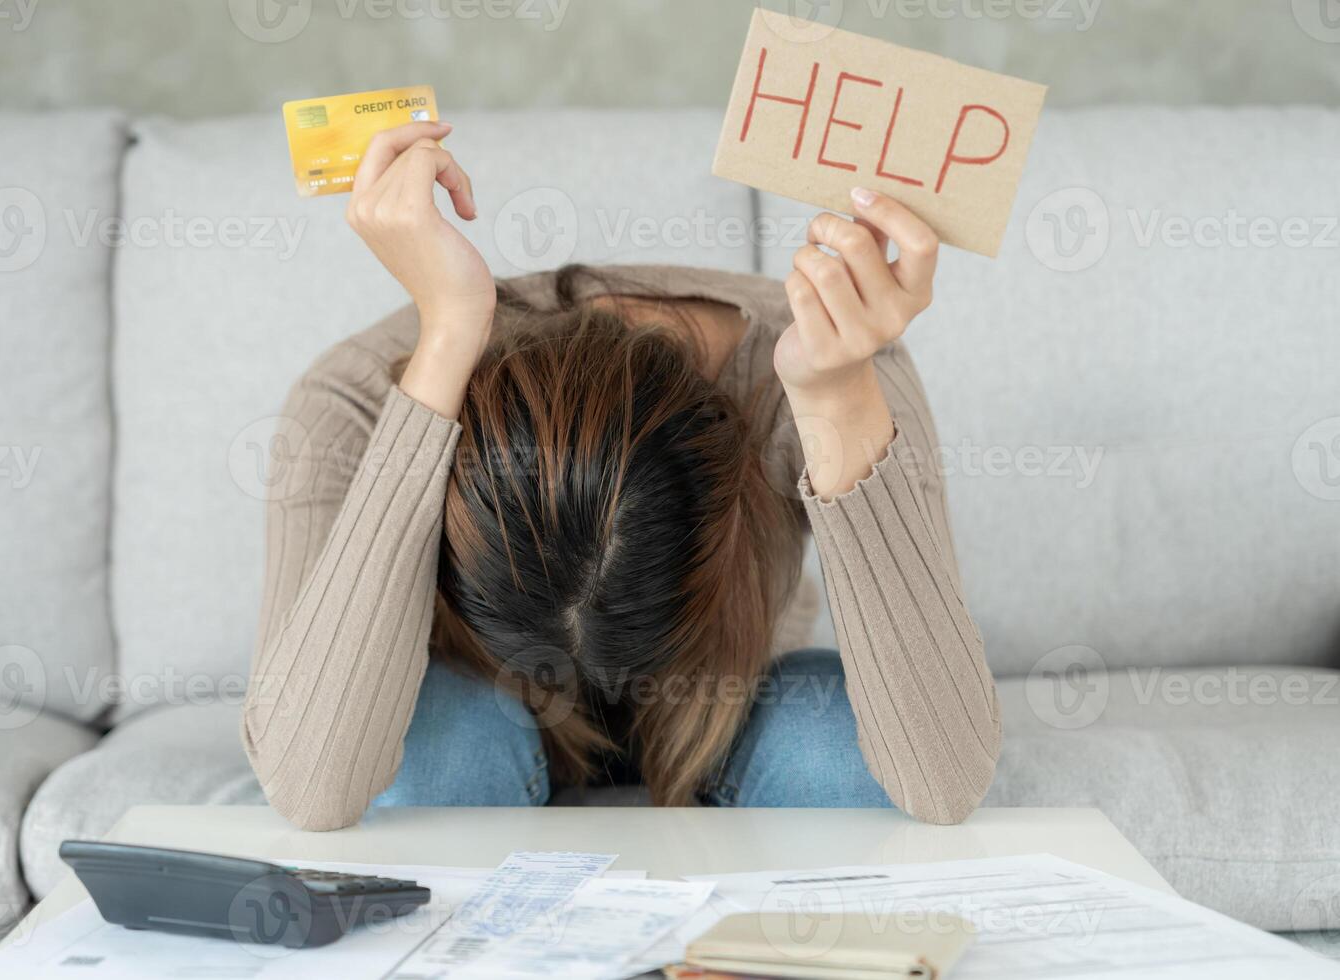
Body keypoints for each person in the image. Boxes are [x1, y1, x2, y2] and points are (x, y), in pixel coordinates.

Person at [241, 120, 1001, 830]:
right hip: (487, 714)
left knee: (833, 751)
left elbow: (943, 782)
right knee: (439, 753)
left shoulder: (835, 356)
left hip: (720, 708)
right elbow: (312, 787)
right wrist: (442, 345)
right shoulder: (352, 394)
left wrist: (836, 397)